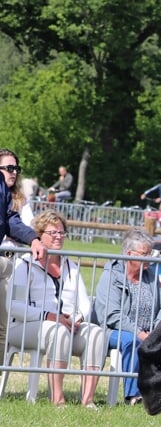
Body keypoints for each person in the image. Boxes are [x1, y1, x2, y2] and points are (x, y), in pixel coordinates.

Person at [7, 210, 107, 407]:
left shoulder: (71, 266)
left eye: (61, 233)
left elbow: (85, 303)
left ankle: (88, 400)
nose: (58, 237)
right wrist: (50, 316)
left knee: (96, 333)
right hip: (25, 327)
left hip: (67, 325)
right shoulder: (24, 265)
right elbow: (13, 306)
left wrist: (77, 319)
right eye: (53, 233)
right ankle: (58, 399)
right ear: (39, 235)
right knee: (58, 331)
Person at [93, 228, 161, 405]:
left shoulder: (151, 276)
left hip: (149, 332)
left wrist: (156, 331)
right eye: (145, 254)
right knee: (132, 342)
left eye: (150, 253)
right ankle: (134, 396)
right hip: (113, 331)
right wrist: (139, 333)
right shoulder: (112, 275)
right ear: (129, 254)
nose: (149, 258)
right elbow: (112, 315)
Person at [0, 148, 47, 352]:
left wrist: (34, 240)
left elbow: (12, 220)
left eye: (16, 168)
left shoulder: (8, 194)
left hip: (8, 264)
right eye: (9, 168)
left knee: (2, 329)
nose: (14, 172)